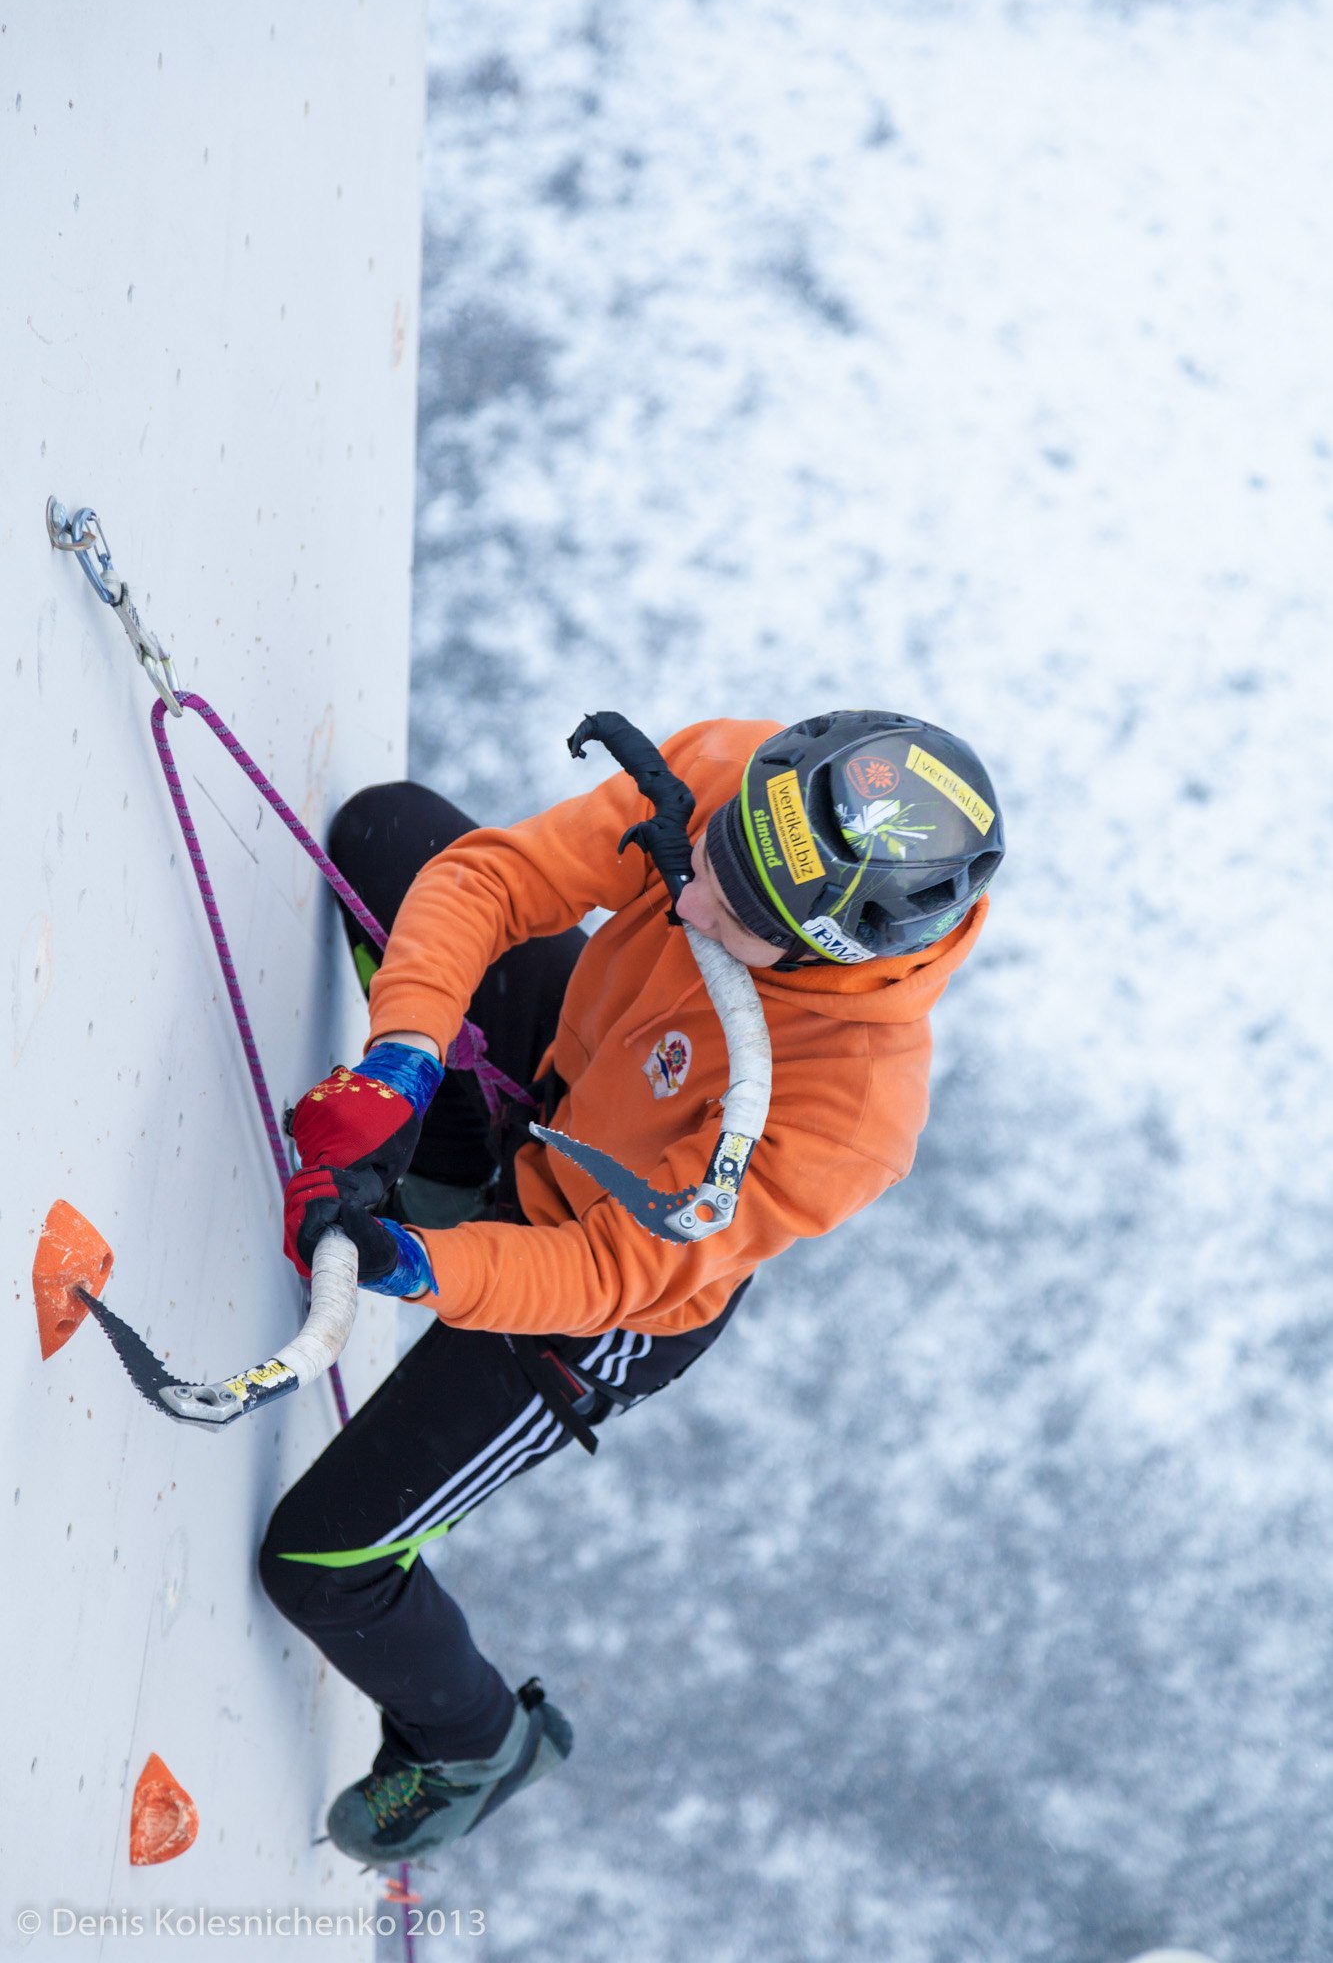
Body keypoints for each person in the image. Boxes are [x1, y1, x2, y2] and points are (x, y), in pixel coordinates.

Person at [258, 709, 1004, 1868]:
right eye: (707, 857)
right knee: (386, 835)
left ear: (825, 954)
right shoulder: (730, 790)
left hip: (593, 1303)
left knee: (319, 1560)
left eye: (741, 916)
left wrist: (417, 1264)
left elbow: (612, 1267)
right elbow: (499, 878)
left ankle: (475, 1738)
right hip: (575, 1068)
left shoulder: (847, 1110)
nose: (686, 899)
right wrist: (404, 1047)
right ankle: (452, 1147)